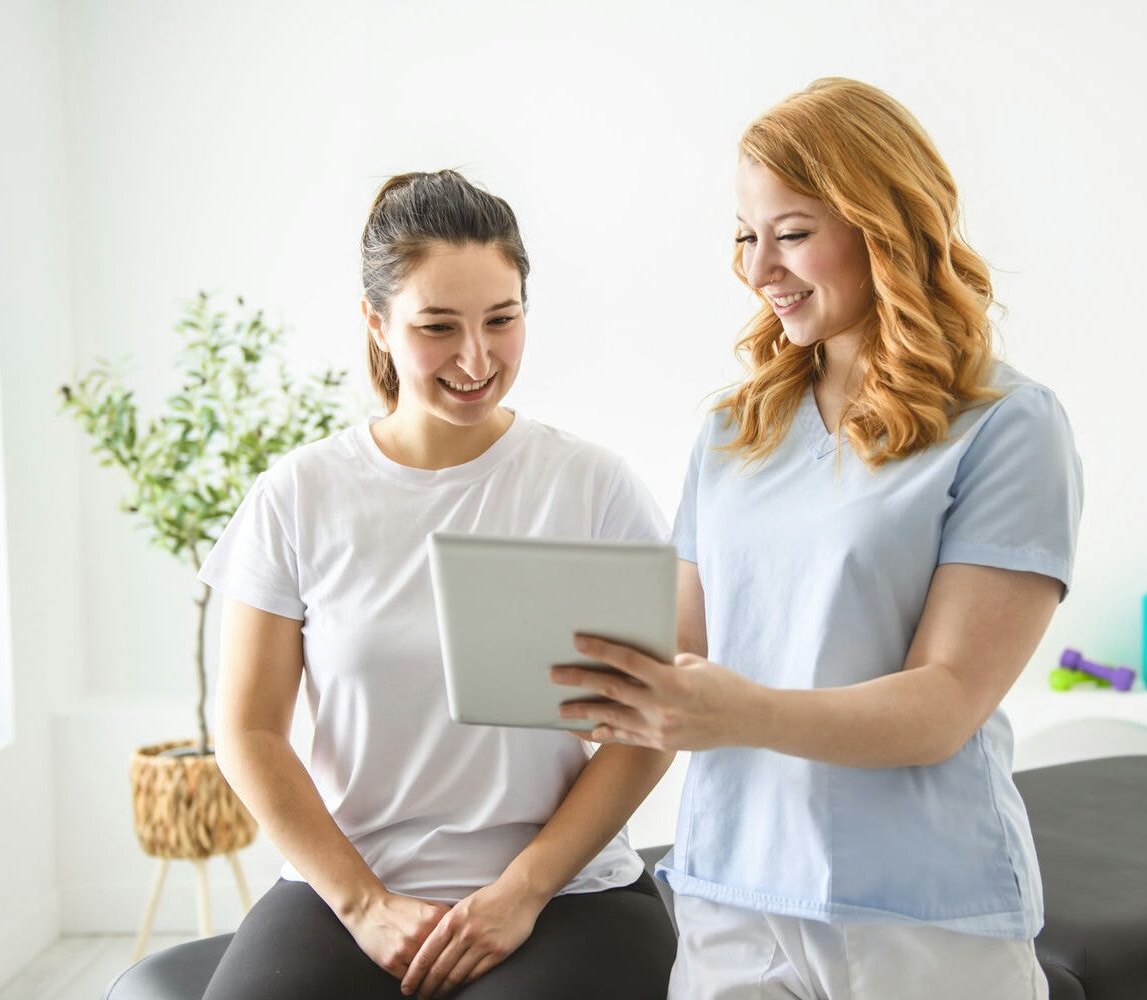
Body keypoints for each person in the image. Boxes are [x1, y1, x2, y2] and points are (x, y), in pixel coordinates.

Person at [552, 78, 1083, 999]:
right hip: (734, 898)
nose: (759, 271)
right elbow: (683, 648)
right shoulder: (734, 428)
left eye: (791, 233)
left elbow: (946, 701)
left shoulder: (1005, 425)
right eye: (746, 236)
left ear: (887, 223)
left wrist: (736, 712)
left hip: (921, 914)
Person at [197, 170, 676, 1000]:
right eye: (437, 327)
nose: (476, 358)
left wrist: (522, 890)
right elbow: (248, 729)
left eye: (502, 319)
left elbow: (651, 723)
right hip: (348, 887)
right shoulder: (299, 495)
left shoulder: (592, 486)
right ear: (376, 324)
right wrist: (364, 903)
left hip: (565, 891)